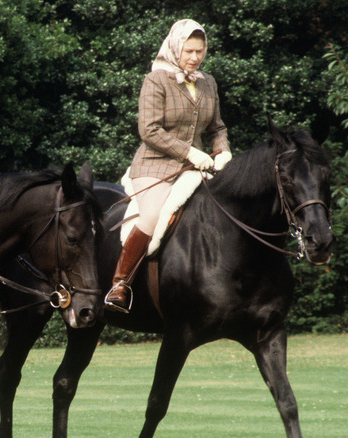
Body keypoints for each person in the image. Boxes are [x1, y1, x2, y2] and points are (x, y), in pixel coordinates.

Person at [104, 19, 232, 314]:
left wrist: (222, 150)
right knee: (150, 216)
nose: (194, 57)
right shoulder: (156, 80)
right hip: (155, 165)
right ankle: (119, 284)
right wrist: (190, 152)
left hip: (195, 168)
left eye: (199, 51)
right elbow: (149, 130)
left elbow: (217, 127)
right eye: (188, 51)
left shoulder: (208, 82)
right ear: (176, 48)